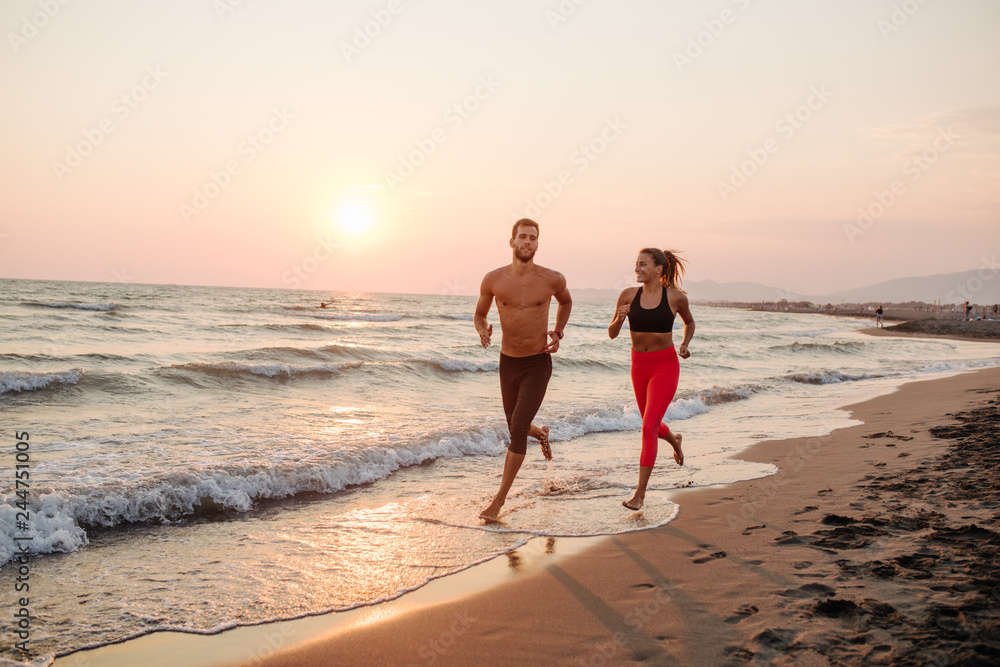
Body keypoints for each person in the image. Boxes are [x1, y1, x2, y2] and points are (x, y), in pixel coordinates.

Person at [476, 219, 572, 522]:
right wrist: (482, 331)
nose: (527, 242)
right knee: (516, 427)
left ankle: (498, 501)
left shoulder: (552, 279)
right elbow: (480, 314)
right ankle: (541, 433)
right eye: (522, 237)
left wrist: (558, 333)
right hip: (508, 363)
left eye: (532, 238)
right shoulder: (493, 279)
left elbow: (566, 302)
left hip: (537, 363)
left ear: (537, 244)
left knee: (517, 428)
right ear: (512, 242)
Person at [609, 248, 694, 511]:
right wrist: (620, 318)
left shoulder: (675, 298)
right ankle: (674, 440)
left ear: (659, 269)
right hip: (639, 366)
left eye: (643, 264)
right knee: (652, 423)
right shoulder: (627, 295)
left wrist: (684, 343)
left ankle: (640, 495)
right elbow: (612, 333)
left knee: (647, 427)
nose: (637, 269)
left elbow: (689, 323)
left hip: (665, 366)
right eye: (636, 264)